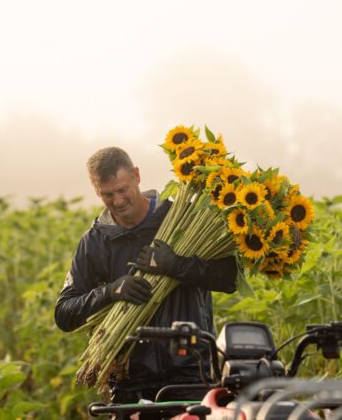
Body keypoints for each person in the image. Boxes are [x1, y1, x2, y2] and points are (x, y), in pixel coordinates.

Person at [54, 146, 238, 403]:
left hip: (192, 376)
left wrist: (176, 265)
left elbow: (228, 279)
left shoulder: (182, 219)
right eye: (107, 194)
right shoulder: (95, 241)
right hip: (130, 382)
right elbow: (64, 313)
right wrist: (110, 291)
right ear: (96, 191)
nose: (118, 201)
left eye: (122, 189)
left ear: (137, 176)